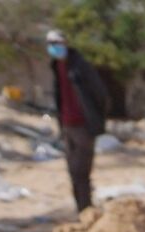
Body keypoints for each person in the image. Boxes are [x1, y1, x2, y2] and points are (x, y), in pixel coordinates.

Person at [47, 30, 109, 213]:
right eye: (51, 43)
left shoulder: (80, 66)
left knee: (82, 172)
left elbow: (101, 94)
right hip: (67, 126)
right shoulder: (56, 67)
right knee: (73, 172)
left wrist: (94, 120)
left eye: (57, 43)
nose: (54, 47)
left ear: (65, 43)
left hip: (83, 126)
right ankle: (81, 210)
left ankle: (86, 211)